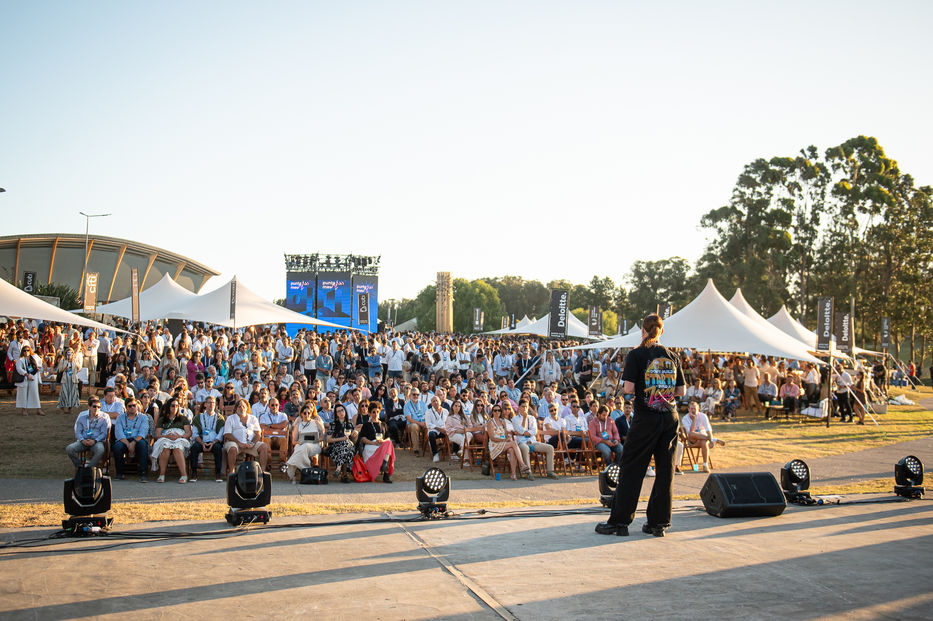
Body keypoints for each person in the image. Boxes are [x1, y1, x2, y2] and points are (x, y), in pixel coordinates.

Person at [597, 313, 685, 538]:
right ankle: (659, 523)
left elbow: (627, 389)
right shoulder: (672, 355)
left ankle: (620, 522)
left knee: (632, 468)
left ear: (643, 331)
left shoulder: (637, 354)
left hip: (646, 418)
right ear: (661, 332)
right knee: (665, 471)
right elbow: (681, 391)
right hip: (670, 417)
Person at [222, 398, 270, 477]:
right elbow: (227, 434)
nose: (242, 408)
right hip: (235, 443)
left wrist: (252, 443)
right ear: (236, 408)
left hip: (250, 444)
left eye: (243, 406)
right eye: (239, 406)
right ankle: (231, 472)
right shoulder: (231, 418)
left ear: (247, 408)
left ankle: (262, 472)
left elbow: (258, 433)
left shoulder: (253, 418)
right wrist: (239, 443)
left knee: (264, 446)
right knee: (232, 448)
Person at [511, 399, 558, 478]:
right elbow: (521, 430)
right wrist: (525, 419)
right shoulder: (515, 419)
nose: (525, 408)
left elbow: (534, 431)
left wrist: (524, 433)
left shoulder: (532, 418)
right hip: (521, 442)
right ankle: (528, 472)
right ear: (519, 407)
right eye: (523, 406)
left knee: (550, 448)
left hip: (532, 441)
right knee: (525, 448)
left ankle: (550, 471)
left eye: (526, 407)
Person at [675, 402, 726, 472]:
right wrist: (694, 419)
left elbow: (708, 430)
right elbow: (691, 432)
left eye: (695, 409)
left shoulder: (703, 416)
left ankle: (705, 465)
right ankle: (714, 440)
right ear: (688, 409)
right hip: (692, 440)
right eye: (691, 409)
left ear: (698, 409)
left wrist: (709, 437)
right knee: (692, 433)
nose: (693, 410)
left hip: (703, 439)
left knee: (704, 442)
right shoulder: (685, 418)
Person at [486, 402, 530, 480]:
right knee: (513, 444)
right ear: (492, 412)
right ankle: (522, 464)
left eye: (499, 410)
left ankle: (513, 474)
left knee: (512, 450)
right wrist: (504, 440)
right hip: (494, 445)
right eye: (495, 410)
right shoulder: (490, 422)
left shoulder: (503, 421)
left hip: (503, 443)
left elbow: (506, 434)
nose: (497, 412)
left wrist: (508, 438)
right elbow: (492, 438)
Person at [152, 397, 192, 483]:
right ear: (168, 407)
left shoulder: (183, 418)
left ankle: (184, 475)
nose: (175, 408)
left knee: (177, 448)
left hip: (179, 438)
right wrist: (166, 436)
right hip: (166, 438)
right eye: (172, 406)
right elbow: (157, 434)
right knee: (165, 447)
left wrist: (180, 436)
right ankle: (162, 474)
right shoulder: (162, 419)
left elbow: (188, 433)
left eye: (177, 406)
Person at [112, 396, 151, 481]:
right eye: (130, 406)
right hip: (124, 440)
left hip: (137, 439)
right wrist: (128, 444)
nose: (132, 407)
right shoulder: (120, 417)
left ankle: (143, 473)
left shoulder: (143, 417)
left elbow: (143, 432)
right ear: (126, 408)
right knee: (117, 447)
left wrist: (133, 443)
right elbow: (119, 433)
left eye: (134, 405)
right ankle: (120, 473)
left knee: (143, 445)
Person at [285, 402, 326, 482]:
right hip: (301, 445)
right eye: (305, 413)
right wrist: (299, 442)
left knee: (306, 445)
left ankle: (290, 467)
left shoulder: (316, 423)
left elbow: (322, 437)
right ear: (301, 414)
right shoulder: (298, 426)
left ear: (311, 414)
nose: (307, 414)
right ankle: (306, 467)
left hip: (315, 446)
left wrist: (316, 439)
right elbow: (294, 441)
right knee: (298, 446)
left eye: (309, 413)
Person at [65, 396, 109, 467]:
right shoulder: (82, 418)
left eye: (99, 407)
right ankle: (79, 467)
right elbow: (78, 432)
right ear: (89, 407)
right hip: (84, 441)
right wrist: (82, 440)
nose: (96, 409)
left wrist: (94, 441)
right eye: (94, 406)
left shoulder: (103, 420)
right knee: (69, 448)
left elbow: (104, 434)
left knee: (100, 450)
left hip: (96, 442)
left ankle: (89, 469)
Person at [189, 396, 225, 482]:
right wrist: (202, 443)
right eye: (209, 402)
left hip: (214, 442)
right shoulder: (198, 417)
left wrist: (213, 442)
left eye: (213, 403)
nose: (211, 405)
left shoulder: (219, 418)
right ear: (205, 404)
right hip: (202, 441)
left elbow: (220, 434)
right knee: (194, 448)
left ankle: (218, 473)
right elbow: (195, 433)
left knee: (217, 448)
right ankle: (194, 473)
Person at [358, 401, 395, 482]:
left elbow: (388, 438)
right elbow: (363, 439)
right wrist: (374, 443)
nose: (375, 414)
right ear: (370, 413)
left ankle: (384, 464)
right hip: (371, 446)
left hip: (382, 445)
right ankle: (385, 471)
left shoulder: (383, 424)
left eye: (377, 412)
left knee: (388, 443)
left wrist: (383, 441)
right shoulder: (366, 424)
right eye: (373, 412)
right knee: (388, 447)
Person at [325, 403, 357, 483]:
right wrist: (341, 439)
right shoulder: (333, 424)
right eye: (338, 411)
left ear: (345, 411)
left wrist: (356, 433)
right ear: (336, 414)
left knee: (346, 445)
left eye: (342, 410)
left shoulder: (349, 424)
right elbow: (328, 439)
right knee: (345, 446)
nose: (341, 412)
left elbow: (353, 440)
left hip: (349, 445)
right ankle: (344, 475)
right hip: (336, 447)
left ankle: (339, 467)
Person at [14, 344, 43, 416]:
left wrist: (38, 368)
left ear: (30, 351)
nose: (26, 352)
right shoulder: (20, 360)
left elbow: (40, 362)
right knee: (23, 393)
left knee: (34, 393)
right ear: (22, 352)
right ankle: (24, 409)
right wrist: (26, 374)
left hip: (33, 376)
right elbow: (19, 369)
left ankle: (38, 409)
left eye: (27, 350)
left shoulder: (34, 357)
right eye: (24, 351)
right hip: (25, 378)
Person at [56, 347, 82, 414]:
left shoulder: (75, 360)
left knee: (72, 393)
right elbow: (59, 370)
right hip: (65, 378)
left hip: (73, 378)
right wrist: (65, 368)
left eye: (71, 353)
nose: (69, 354)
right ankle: (62, 407)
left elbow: (79, 368)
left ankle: (70, 408)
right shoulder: (63, 360)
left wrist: (76, 368)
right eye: (68, 353)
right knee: (64, 393)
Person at [425, 396, 449, 462]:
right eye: (434, 401)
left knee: (453, 432)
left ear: (440, 402)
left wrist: (446, 429)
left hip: (444, 430)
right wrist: (439, 429)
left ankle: (454, 452)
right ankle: (435, 454)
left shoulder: (445, 411)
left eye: (437, 401)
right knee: (431, 435)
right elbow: (428, 424)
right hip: (434, 430)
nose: (436, 402)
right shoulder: (428, 412)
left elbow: (449, 422)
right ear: (431, 404)